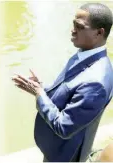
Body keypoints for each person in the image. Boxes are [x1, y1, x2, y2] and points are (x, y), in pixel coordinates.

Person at [12, 3, 113, 162]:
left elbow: (64, 126)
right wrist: (41, 87)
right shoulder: (86, 55)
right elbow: (70, 92)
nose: (73, 30)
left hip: (66, 156)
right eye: (73, 24)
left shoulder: (96, 82)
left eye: (79, 27)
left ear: (99, 33)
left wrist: (39, 94)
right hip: (56, 149)